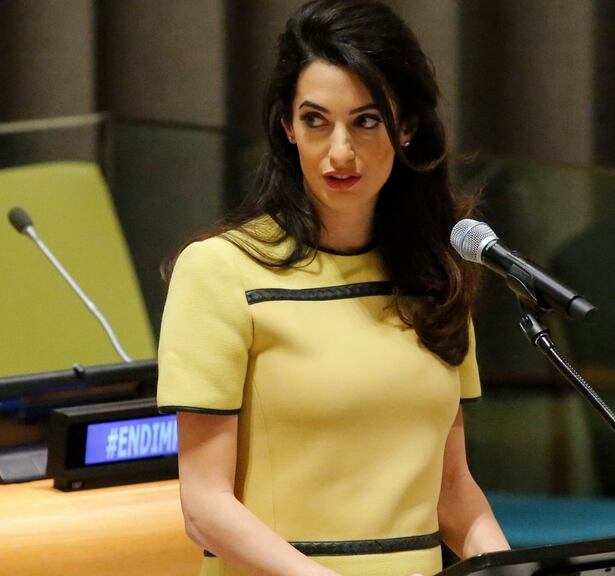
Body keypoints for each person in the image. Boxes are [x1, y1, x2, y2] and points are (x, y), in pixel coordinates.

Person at [157, 1, 509, 574]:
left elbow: (452, 489)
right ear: (286, 127)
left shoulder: (432, 274)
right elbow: (204, 507)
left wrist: (502, 567)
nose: (339, 151)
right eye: (316, 120)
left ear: (407, 128)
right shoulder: (220, 271)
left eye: (366, 121)